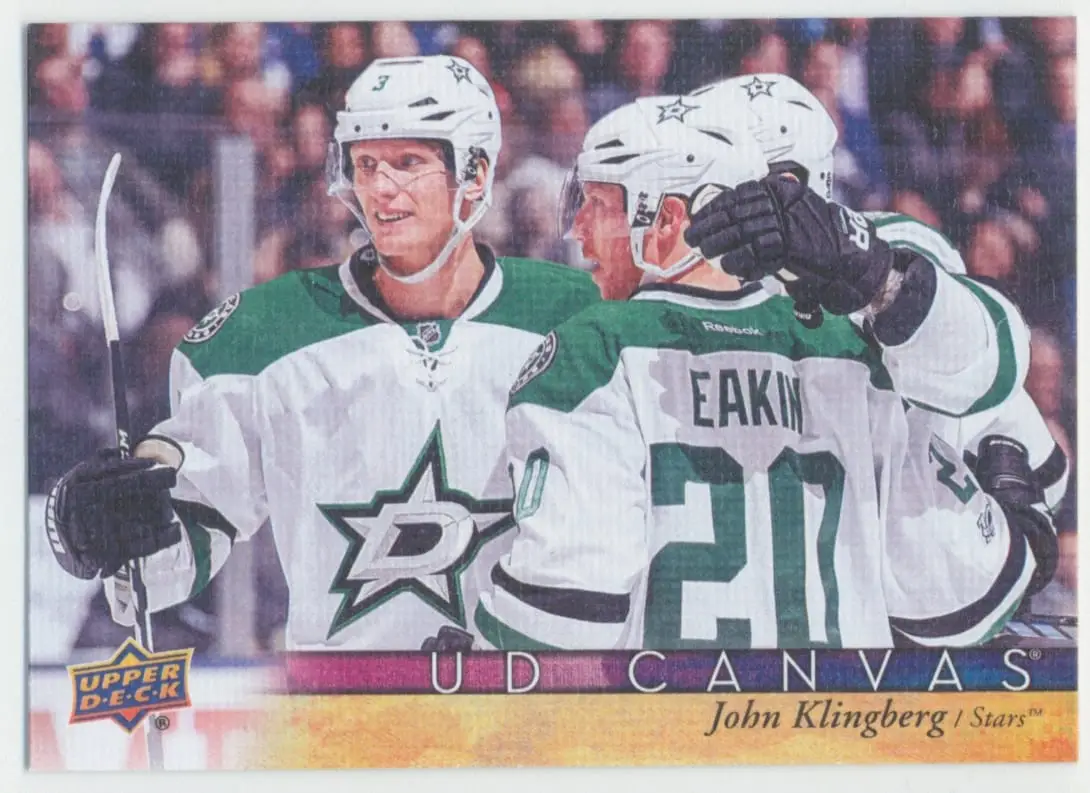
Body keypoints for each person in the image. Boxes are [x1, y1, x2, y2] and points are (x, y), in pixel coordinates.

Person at [44, 55, 600, 651]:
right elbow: (180, 531)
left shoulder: (572, 315)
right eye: (367, 163)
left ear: (475, 170)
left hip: (532, 695)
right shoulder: (269, 333)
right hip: (343, 699)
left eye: (408, 162)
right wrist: (110, 525)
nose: (381, 188)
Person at [474, 97, 1054, 649]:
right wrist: (1019, 520)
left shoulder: (594, 351)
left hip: (664, 715)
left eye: (598, 205)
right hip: (840, 715)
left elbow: (563, 618)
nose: (578, 229)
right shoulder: (858, 352)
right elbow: (957, 603)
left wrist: (471, 639)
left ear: (666, 219)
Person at [683, 73, 1068, 541]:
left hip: (895, 548)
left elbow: (991, 362)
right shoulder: (682, 278)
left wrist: (878, 277)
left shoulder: (894, 244)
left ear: (787, 180)